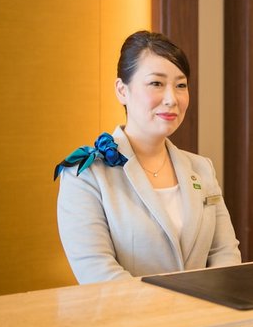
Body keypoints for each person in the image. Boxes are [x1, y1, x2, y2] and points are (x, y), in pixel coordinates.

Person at [55, 30, 241, 284]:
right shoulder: (85, 174)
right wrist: (174, 306)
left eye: (181, 85)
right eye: (156, 83)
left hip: (204, 309)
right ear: (122, 90)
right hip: (127, 311)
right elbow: (97, 272)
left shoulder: (201, 168)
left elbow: (225, 253)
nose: (171, 99)